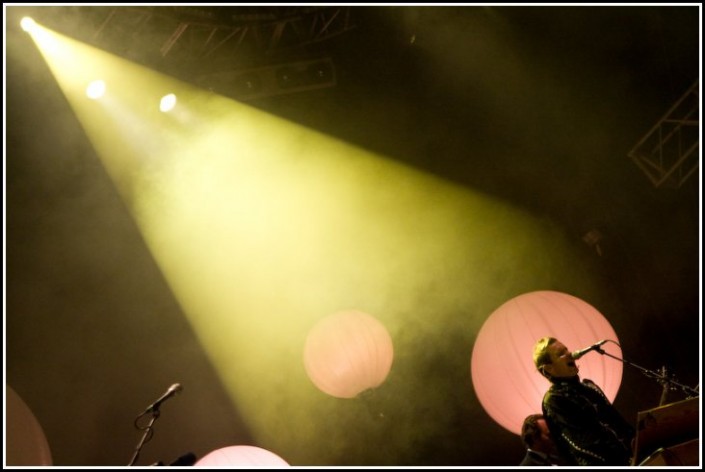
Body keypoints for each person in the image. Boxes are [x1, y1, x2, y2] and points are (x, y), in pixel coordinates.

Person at [532, 336, 635, 466]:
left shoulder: (589, 386)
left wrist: (638, 442)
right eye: (560, 354)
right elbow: (584, 445)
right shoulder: (554, 400)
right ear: (549, 369)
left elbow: (617, 421)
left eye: (566, 349)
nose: (569, 353)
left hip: (633, 458)